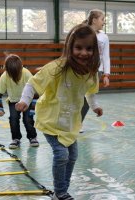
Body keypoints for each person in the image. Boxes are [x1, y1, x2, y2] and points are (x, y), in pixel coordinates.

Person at [15, 24, 103, 200]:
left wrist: (95, 106)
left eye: (89, 48)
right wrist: (25, 100)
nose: (83, 53)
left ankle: (62, 191)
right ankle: (61, 192)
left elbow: (90, 91)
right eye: (78, 47)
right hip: (51, 120)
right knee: (62, 154)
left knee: (73, 156)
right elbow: (33, 82)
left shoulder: (90, 72)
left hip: (70, 123)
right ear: (70, 47)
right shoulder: (57, 68)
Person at [0, 54, 39, 149]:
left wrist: (32, 109)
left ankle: (32, 137)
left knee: (28, 119)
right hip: (13, 101)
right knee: (13, 119)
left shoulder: (26, 74)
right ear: (6, 70)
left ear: (21, 68)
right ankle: (16, 139)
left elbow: (35, 92)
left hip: (27, 101)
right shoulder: (4, 76)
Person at [80, 9, 111, 132]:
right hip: (81, 70)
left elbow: (106, 56)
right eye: (102, 19)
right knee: (78, 97)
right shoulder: (82, 33)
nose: (104, 22)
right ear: (94, 20)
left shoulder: (104, 36)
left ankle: (78, 122)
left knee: (88, 98)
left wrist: (106, 74)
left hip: (95, 72)